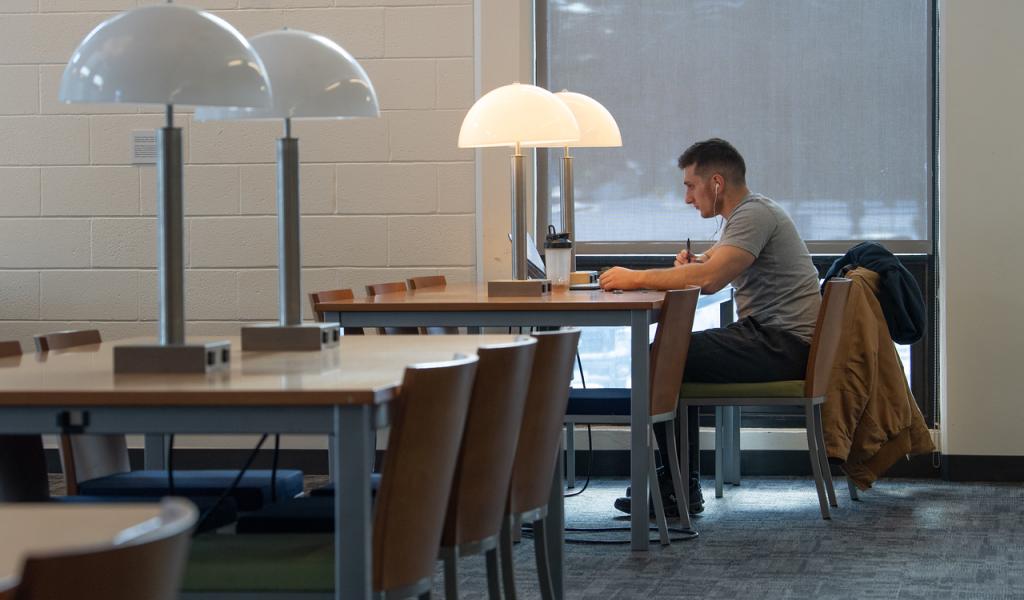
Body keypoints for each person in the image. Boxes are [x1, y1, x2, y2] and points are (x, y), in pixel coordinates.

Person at [601, 138, 821, 517]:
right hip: (778, 338)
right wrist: (696, 262)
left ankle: (676, 487)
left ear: (716, 183)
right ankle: (677, 484)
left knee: (667, 355)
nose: (687, 198)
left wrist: (634, 278)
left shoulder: (753, 216)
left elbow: (710, 280)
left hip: (781, 343)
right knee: (672, 355)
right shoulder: (746, 218)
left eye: (690, 185)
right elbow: (710, 265)